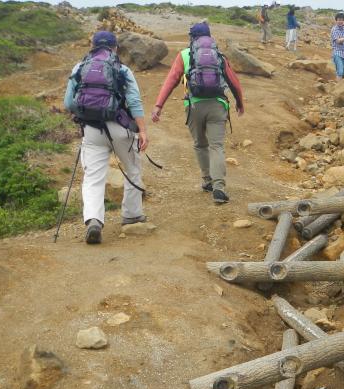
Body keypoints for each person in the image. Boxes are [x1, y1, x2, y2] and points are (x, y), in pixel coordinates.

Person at [64, 30, 148, 244]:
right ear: (115, 48)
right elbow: (135, 102)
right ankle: (132, 215)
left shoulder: (79, 67)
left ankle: (93, 220)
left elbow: (69, 104)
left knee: (93, 178)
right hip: (121, 128)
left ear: (92, 45)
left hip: (92, 130)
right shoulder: (122, 69)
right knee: (132, 169)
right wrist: (143, 131)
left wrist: (86, 113)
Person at [151, 22, 244, 204]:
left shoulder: (185, 55)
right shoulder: (218, 55)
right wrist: (240, 103)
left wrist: (158, 105)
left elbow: (171, 81)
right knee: (216, 146)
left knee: (201, 145)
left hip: (193, 106)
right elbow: (234, 81)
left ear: (192, 37)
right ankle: (219, 188)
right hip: (217, 105)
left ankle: (207, 181)